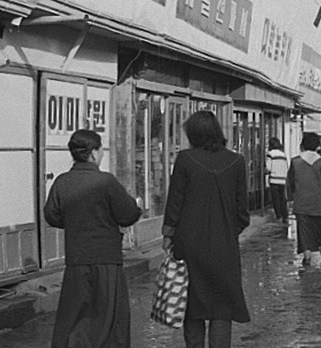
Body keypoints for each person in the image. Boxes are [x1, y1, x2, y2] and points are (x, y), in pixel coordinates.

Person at [44, 130, 142, 348]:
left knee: (74, 317)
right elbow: (127, 215)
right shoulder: (106, 182)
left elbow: (51, 215)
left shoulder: (62, 182)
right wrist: (138, 206)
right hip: (107, 259)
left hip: (76, 258)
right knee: (108, 320)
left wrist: (74, 221)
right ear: (94, 153)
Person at [162, 110, 251, 347]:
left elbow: (175, 201)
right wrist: (229, 231)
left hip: (188, 243)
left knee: (192, 304)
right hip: (224, 246)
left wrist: (169, 234)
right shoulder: (236, 161)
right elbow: (242, 212)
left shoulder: (185, 159)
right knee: (222, 307)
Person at [286, 132, 321, 264]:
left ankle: (307, 254)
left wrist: (291, 198)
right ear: (318, 146)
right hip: (318, 203)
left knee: (304, 230)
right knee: (320, 227)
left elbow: (290, 182)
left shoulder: (295, 161)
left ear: (302, 146)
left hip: (301, 202)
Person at [266, 137, 289, 223]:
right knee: (282, 199)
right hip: (282, 180)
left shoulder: (270, 154)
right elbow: (286, 167)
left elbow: (268, 168)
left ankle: (279, 216)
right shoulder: (283, 155)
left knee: (275, 199)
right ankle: (285, 216)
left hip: (274, 180)